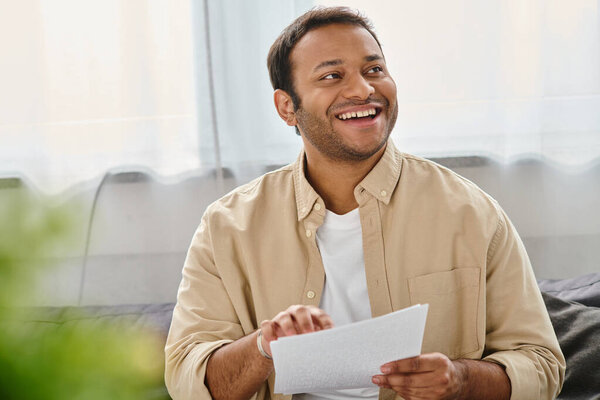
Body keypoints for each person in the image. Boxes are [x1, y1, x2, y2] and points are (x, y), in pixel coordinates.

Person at [165, 7, 565, 400]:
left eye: (374, 70)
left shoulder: (472, 213)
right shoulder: (226, 226)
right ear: (288, 107)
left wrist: (460, 380)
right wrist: (265, 346)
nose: (362, 89)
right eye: (332, 75)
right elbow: (188, 378)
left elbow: (543, 364)